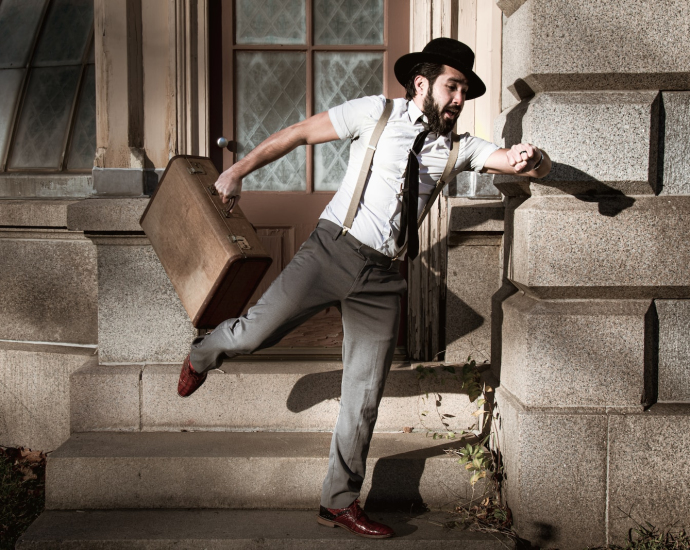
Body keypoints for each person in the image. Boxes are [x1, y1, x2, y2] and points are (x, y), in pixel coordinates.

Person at [177, 37, 551, 539]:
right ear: (422, 83)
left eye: (465, 90)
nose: (460, 99)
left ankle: (338, 501)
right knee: (251, 336)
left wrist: (536, 158)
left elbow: (512, 161)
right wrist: (239, 171)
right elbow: (296, 134)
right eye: (453, 86)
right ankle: (205, 351)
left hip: (382, 278)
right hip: (331, 250)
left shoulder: (457, 147)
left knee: (365, 393)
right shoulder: (373, 113)